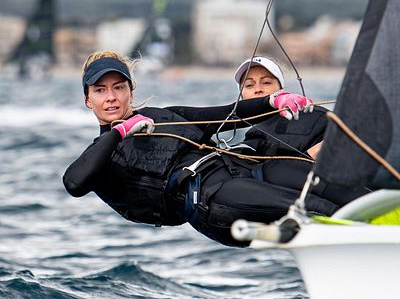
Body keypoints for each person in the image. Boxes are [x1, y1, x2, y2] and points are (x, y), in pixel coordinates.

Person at [63, 51, 349, 246]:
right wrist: (118, 133)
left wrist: (274, 101)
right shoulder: (101, 158)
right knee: (317, 208)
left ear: (130, 91)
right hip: (211, 200)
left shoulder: (162, 115)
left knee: (329, 185)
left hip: (244, 171)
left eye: (119, 87)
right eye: (100, 90)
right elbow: (74, 183)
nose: (111, 97)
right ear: (88, 100)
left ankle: (388, 216)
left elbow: (229, 113)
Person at [233, 56, 326, 160]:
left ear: (281, 90)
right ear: (241, 96)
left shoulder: (315, 118)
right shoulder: (251, 140)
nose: (258, 89)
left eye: (266, 82)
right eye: (249, 85)